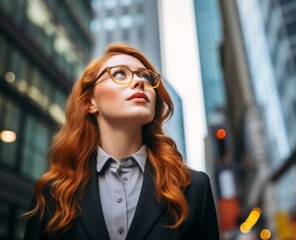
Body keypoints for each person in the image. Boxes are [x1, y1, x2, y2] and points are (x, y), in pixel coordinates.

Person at [24, 43, 220, 240]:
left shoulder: (194, 188)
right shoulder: (53, 193)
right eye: (120, 74)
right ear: (90, 103)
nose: (139, 81)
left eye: (145, 76)